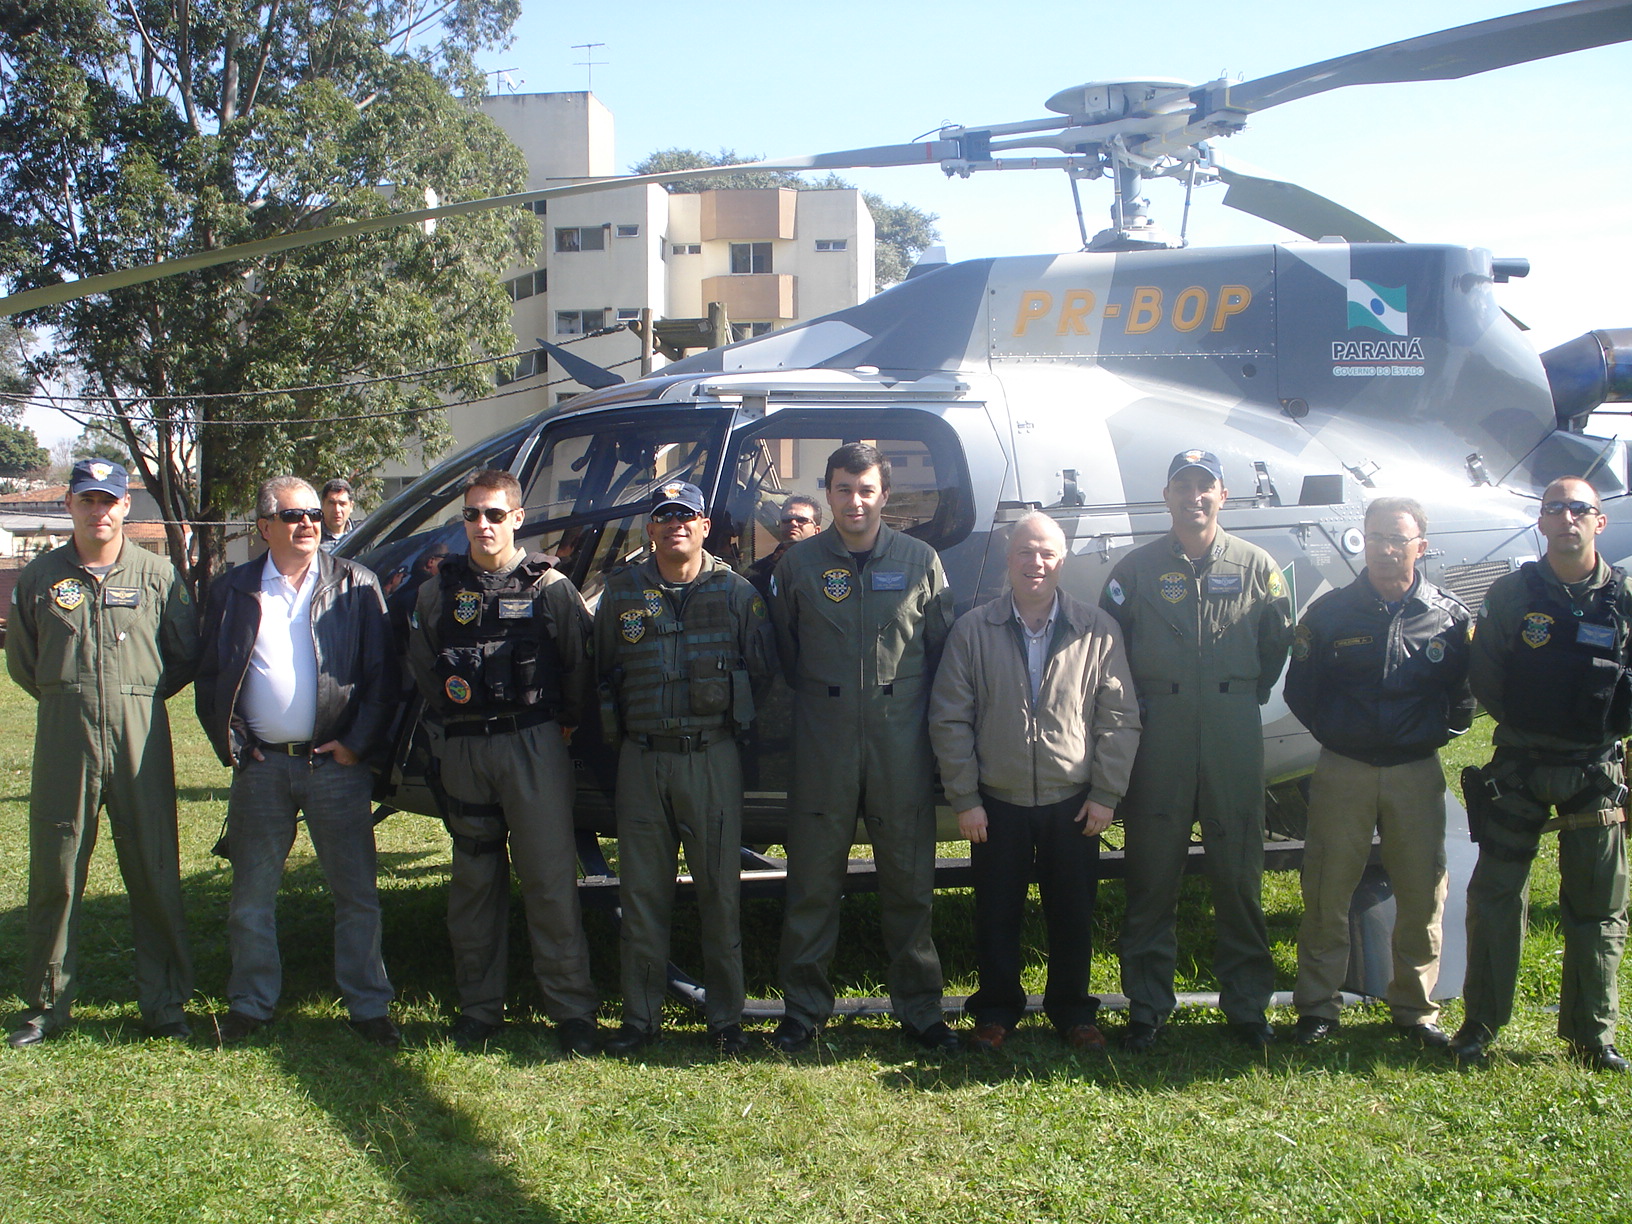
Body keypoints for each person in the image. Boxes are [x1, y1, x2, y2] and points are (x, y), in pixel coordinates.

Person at [194, 476, 400, 1047]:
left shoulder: (355, 583)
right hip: (262, 769)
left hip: (335, 766)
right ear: (265, 527)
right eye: (293, 516)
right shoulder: (232, 589)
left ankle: (368, 1006)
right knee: (251, 897)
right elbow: (211, 676)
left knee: (356, 895)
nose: (308, 522)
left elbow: (384, 676)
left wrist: (356, 744)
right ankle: (250, 1004)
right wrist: (235, 742)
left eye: (312, 513)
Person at [1100, 449, 1294, 1050]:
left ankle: (1247, 1006)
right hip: (1160, 732)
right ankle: (1147, 1006)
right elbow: (1109, 649)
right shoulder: (1135, 570)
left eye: (1205, 486)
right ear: (1167, 496)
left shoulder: (1257, 566)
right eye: (1182, 487)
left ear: (1222, 495)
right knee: (1151, 874)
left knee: (1239, 874)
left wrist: (1236, 694)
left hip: (1233, 728)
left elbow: (1277, 642)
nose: (1194, 497)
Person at [770, 442, 958, 1053]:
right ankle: (803, 1010)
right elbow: (785, 650)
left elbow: (942, 651)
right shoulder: (798, 565)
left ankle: (921, 1010)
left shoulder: (920, 560)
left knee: (909, 879)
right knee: (812, 880)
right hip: (822, 739)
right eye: (844, 489)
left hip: (899, 741)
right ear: (828, 492)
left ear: (885, 495)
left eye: (867, 489)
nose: (856, 501)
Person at [406, 469, 602, 1056]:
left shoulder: (551, 587)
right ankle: (479, 1008)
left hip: (532, 744)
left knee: (549, 882)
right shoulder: (438, 592)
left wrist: (561, 723)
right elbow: (424, 667)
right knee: (473, 884)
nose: (483, 525)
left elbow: (578, 666)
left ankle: (572, 1009)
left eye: (495, 514)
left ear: (517, 518)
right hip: (466, 747)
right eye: (472, 514)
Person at [929, 512, 1141, 1051]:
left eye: (1046, 552)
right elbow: (949, 718)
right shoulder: (972, 630)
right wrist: (966, 798)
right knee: (996, 913)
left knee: (1073, 913)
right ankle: (996, 1011)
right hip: (996, 803)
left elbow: (1119, 718)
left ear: (1062, 560)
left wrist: (1105, 794)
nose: (1036, 563)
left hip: (1073, 802)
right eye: (1025, 551)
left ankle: (1073, 1012)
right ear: (1009, 558)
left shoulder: (1097, 630)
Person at [5, 459, 198, 1047]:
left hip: (140, 736)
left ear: (125, 506)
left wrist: (136, 695)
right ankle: (46, 1004)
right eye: (87, 500)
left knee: (154, 867)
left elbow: (184, 652)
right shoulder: (40, 577)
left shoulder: (157, 574)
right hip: (66, 737)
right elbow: (24, 661)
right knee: (57, 870)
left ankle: (164, 1003)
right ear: (69, 504)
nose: (99, 511)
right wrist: (72, 695)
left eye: (109, 501)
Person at [1453, 476, 1631, 1072]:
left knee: (1598, 906)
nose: (1567, 518)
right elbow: (1487, 674)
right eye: (1555, 508)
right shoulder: (1512, 594)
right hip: (1521, 767)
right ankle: (1480, 1024)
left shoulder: (1626, 597)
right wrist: (1535, 723)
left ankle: (1592, 1034)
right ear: (1542, 521)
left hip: (1595, 770)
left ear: (1599, 521)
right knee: (1496, 897)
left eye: (1579, 508)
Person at [1283, 496, 1474, 1049]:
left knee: (1421, 891)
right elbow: (1301, 691)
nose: (1386, 549)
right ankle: (1317, 1006)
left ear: (1421, 546)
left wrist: (1428, 736)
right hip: (1345, 769)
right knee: (1327, 889)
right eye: (1375, 538)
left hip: (1415, 772)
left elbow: (1464, 698)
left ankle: (1414, 1008)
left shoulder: (1449, 617)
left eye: (1397, 538)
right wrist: (1340, 734)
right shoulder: (1329, 614)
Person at [594, 481, 776, 1056]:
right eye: (665, 516)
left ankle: (726, 1020)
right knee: (642, 895)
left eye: (687, 515)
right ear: (650, 528)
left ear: (704, 526)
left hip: (711, 759)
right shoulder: (620, 593)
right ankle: (640, 1020)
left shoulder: (737, 593)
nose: (676, 524)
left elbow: (764, 673)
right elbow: (602, 669)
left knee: (720, 893)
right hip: (642, 759)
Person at [747, 494, 823, 596]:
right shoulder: (759, 570)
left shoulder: (830, 566)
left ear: (816, 531)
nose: (793, 523)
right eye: (787, 519)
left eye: (801, 520)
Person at [319, 478, 354, 553]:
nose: (337, 510)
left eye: (342, 504)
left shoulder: (361, 537)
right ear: (323, 504)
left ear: (351, 506)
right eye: (332, 503)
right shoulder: (312, 537)